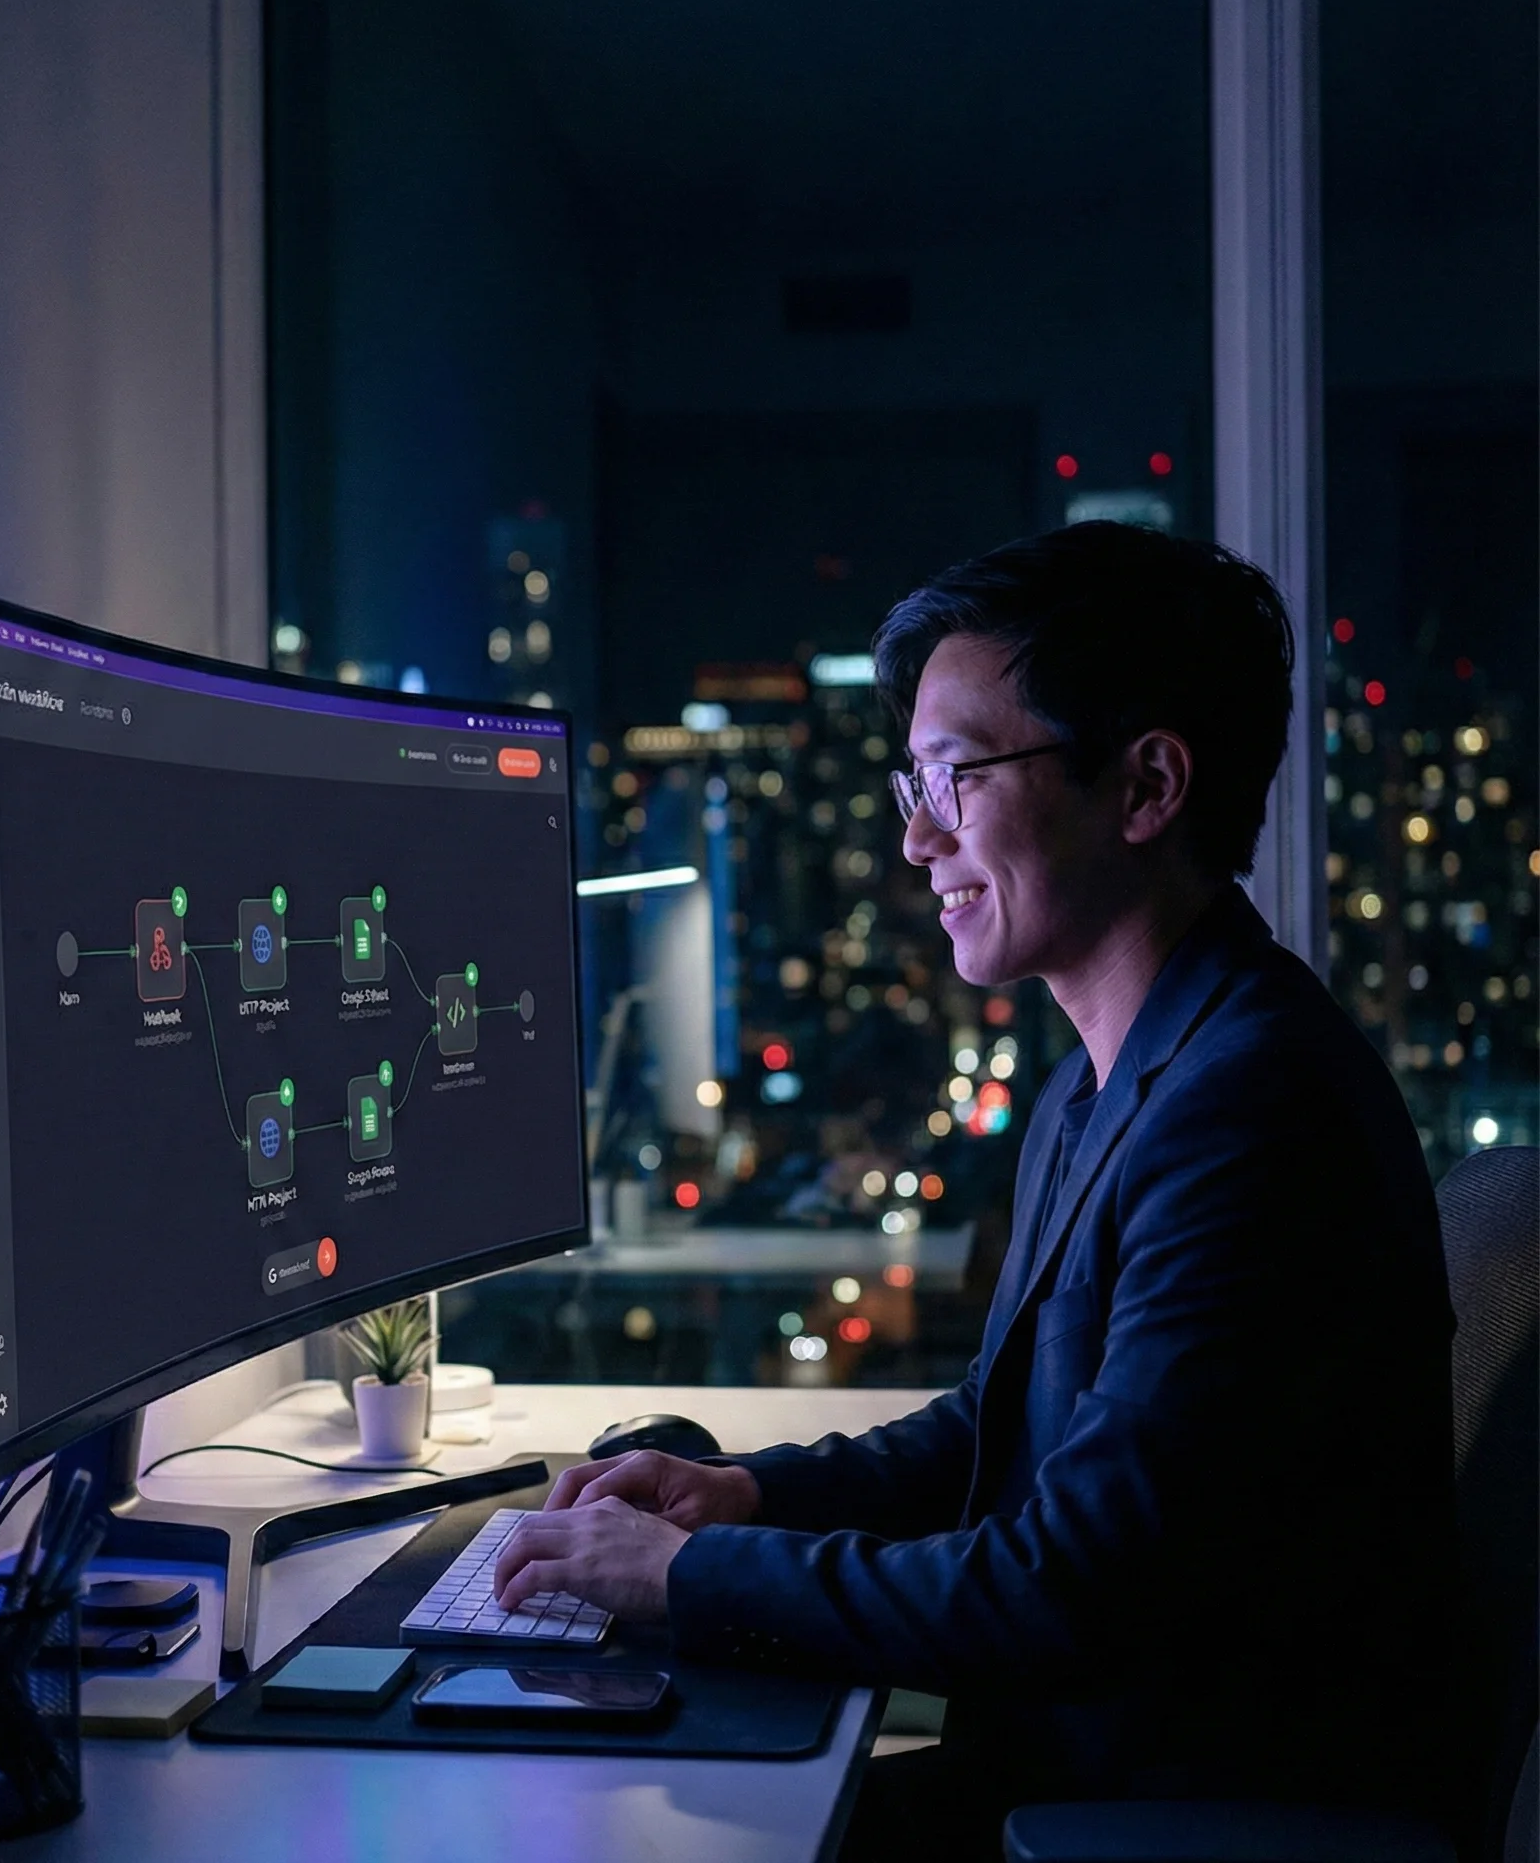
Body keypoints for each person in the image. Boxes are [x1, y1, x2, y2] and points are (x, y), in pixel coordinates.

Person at [494, 521, 1455, 1857]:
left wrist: (690, 1579)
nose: (920, 842)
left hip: (1145, 1820)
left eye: (956, 775)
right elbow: (999, 1428)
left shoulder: (1252, 1111)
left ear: (1147, 785)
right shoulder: (1107, 1082)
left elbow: (1070, 1585)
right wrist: (751, 1499)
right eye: (912, 789)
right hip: (1057, 1781)